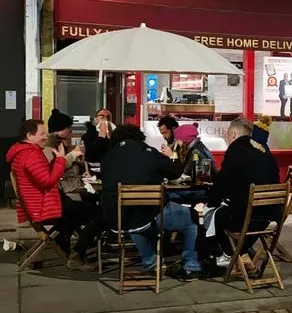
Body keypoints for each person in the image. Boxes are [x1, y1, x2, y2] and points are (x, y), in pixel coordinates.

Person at [100, 124, 202, 281]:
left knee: (134, 220)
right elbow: (176, 171)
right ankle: (191, 266)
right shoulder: (147, 152)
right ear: (139, 137)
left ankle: (152, 263)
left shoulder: (108, 157)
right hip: (147, 215)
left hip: (115, 219)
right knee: (191, 217)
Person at [6, 119, 98, 271]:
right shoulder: (30, 155)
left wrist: (58, 161)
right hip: (44, 207)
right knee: (97, 213)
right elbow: (48, 181)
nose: (45, 137)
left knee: (77, 213)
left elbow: (44, 176)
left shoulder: (25, 152)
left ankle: (65, 245)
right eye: (42, 133)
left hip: (41, 204)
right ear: (30, 135)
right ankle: (77, 255)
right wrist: (61, 160)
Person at [205, 116, 280, 266]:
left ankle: (228, 254)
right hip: (269, 216)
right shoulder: (266, 151)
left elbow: (223, 183)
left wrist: (211, 200)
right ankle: (242, 253)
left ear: (233, 134)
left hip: (245, 218)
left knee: (215, 212)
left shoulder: (235, 150)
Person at [163, 123, 217, 205]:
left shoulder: (196, 152)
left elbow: (183, 175)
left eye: (178, 139)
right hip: (200, 189)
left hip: (202, 191)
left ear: (184, 139)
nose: (176, 142)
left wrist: (172, 156)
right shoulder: (195, 148)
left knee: (165, 195)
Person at [81, 108, 115, 178]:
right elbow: (88, 154)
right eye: (102, 116)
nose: (105, 119)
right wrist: (101, 137)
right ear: (96, 119)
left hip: (111, 169)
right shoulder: (90, 134)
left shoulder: (116, 135)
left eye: (108, 117)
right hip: (93, 170)